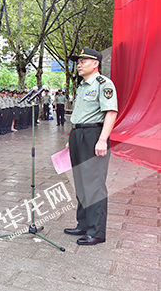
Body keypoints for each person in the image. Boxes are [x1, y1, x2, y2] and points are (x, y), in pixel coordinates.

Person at [64, 48, 118, 246]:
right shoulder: (81, 86)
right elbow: (80, 114)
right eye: (77, 61)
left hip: (94, 135)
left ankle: (96, 231)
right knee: (80, 181)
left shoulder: (104, 84)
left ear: (95, 63)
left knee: (94, 184)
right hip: (79, 134)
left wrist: (103, 139)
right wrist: (72, 136)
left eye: (83, 61)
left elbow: (111, 113)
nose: (78, 64)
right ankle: (84, 224)